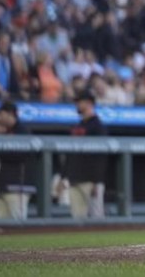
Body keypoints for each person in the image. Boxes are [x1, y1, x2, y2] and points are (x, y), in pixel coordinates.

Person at [61, 90, 108, 219]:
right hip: (74, 178)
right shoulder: (77, 126)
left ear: (88, 103)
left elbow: (101, 156)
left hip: (91, 180)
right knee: (77, 219)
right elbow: (70, 153)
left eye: (79, 102)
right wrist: (64, 176)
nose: (77, 105)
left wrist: (97, 181)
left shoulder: (98, 126)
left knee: (96, 218)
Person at [0, 101, 35, 220]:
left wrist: (2, 139)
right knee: (0, 226)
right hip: (1, 186)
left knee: (18, 224)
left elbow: (19, 155)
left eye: (1, 114)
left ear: (10, 114)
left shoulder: (22, 131)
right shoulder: (2, 132)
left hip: (18, 186)